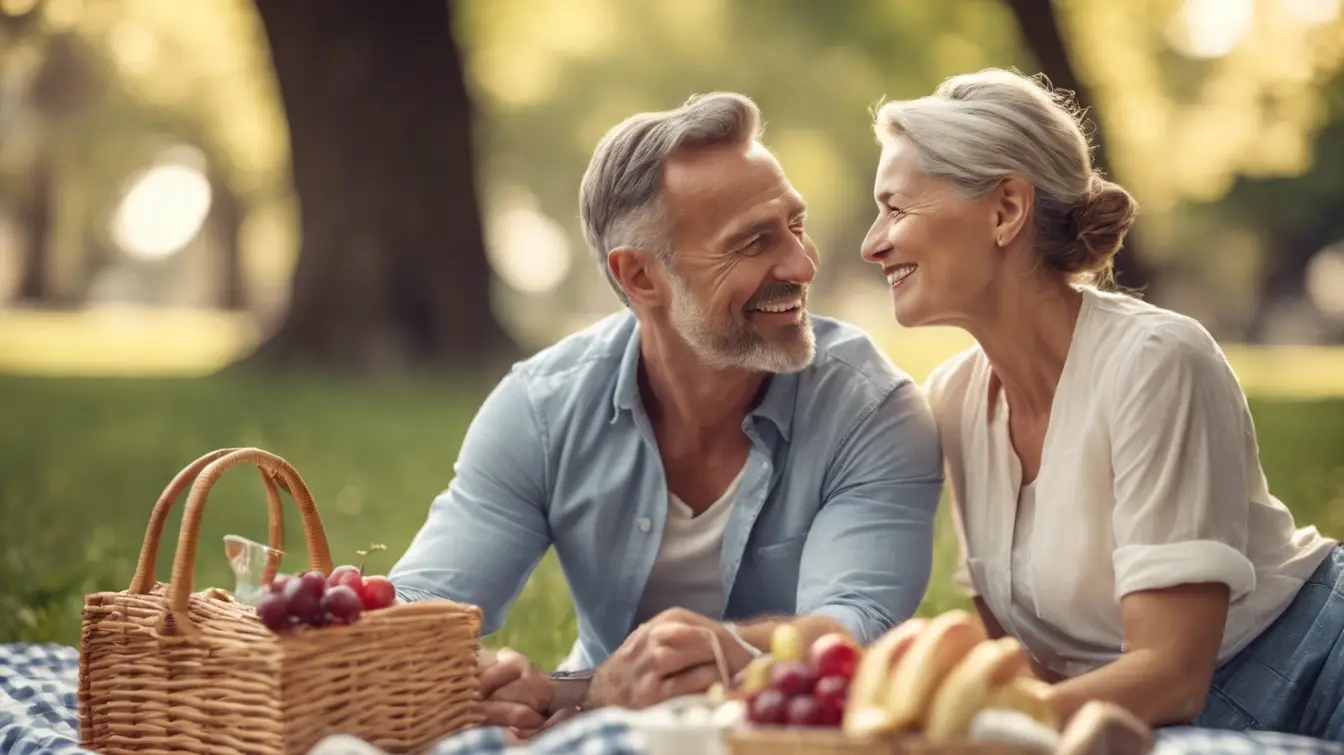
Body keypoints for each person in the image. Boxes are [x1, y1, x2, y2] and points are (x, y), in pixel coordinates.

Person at [389, 91, 944, 734]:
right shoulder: (542, 411)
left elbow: (860, 630)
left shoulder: (873, 411)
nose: (800, 263)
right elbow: (418, 613)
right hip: (596, 735)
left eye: (795, 224)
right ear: (641, 278)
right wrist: (480, 675)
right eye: (752, 243)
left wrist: (720, 656)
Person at [858, 67, 1344, 742]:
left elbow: (1172, 674)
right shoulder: (955, 402)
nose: (872, 242)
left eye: (897, 208)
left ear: (1005, 210)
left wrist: (957, 738)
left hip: (1315, 678)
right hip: (1150, 725)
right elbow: (1024, 667)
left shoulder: (1154, 361)